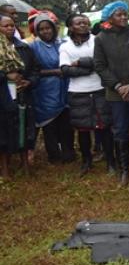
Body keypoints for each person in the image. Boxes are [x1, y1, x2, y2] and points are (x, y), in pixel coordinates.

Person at [93, 0, 129, 185]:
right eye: (119, 15)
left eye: (125, 14)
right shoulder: (101, 38)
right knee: (120, 131)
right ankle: (124, 171)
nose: (124, 17)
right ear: (109, 18)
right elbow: (100, 66)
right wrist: (118, 86)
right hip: (116, 94)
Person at [59, 14, 115, 176]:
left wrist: (82, 63)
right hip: (78, 93)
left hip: (99, 89)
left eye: (85, 22)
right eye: (79, 23)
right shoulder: (66, 47)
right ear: (71, 27)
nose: (83, 24)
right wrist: (91, 67)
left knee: (104, 127)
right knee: (83, 130)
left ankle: (111, 162)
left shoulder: (98, 40)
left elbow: (105, 62)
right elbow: (65, 70)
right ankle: (86, 161)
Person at [30, 13, 75, 165]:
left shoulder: (62, 43)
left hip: (65, 87)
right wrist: (54, 72)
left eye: (48, 28)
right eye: (41, 29)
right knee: (50, 125)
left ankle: (69, 153)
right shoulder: (33, 47)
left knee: (66, 123)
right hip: (45, 90)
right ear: (37, 31)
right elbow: (32, 71)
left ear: (54, 28)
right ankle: (54, 155)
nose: (45, 31)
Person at [0, 13, 37, 177]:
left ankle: (25, 165)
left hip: (22, 94)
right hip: (3, 95)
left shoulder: (23, 47)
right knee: (4, 130)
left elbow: (36, 69)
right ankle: (5, 168)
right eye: (5, 26)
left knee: (23, 126)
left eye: (12, 25)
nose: (9, 28)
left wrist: (29, 81)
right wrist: (6, 76)